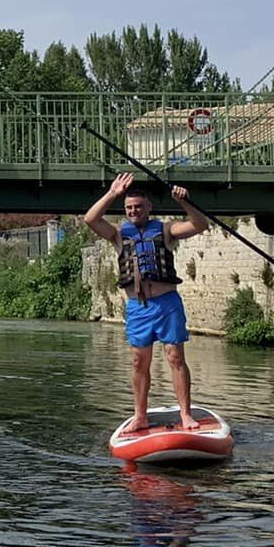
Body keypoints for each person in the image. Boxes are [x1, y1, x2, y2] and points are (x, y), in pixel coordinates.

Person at [82, 170, 210, 434]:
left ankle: (185, 414)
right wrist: (113, 193)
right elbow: (90, 219)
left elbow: (200, 225)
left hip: (167, 304)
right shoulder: (118, 235)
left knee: (175, 357)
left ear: (149, 207)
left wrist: (185, 201)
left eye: (138, 206)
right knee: (139, 362)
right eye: (129, 207)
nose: (133, 211)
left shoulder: (166, 230)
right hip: (138, 308)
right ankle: (140, 416)